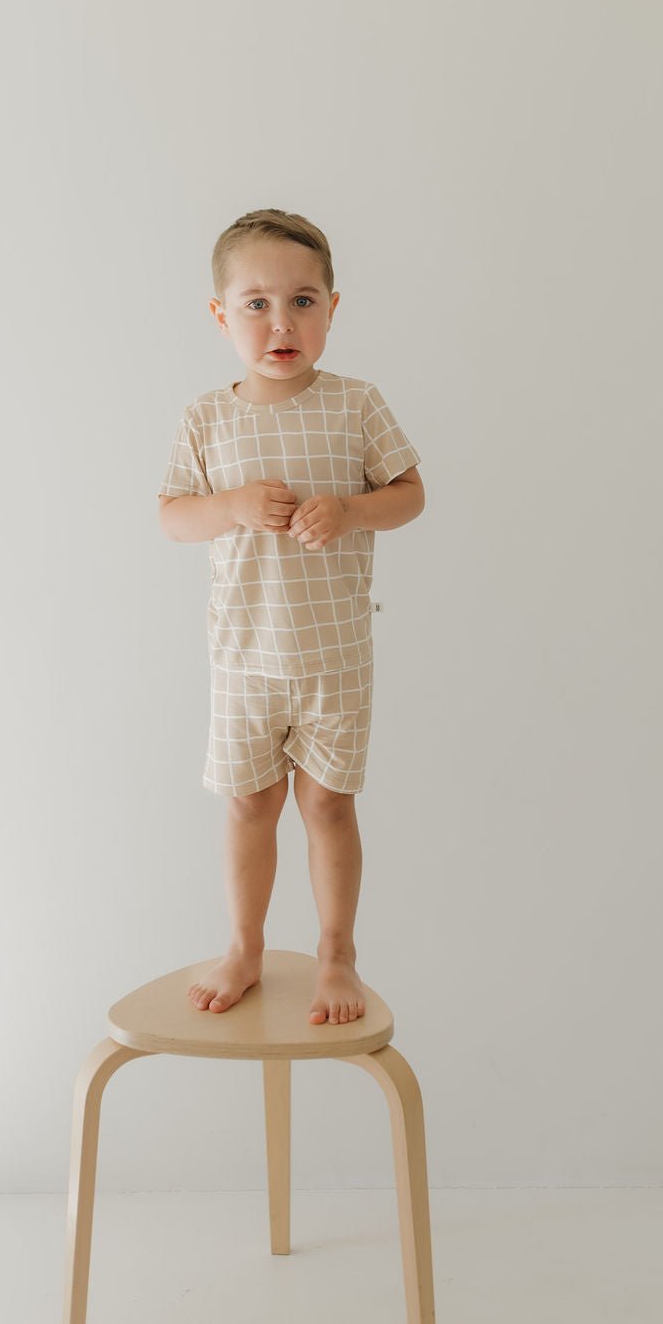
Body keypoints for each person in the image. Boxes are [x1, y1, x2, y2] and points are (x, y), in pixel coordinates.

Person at [157, 208, 424, 1025]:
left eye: (303, 302)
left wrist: (349, 510)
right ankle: (245, 946)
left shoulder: (355, 404)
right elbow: (173, 516)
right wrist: (232, 505)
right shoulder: (208, 418)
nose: (282, 323)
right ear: (221, 315)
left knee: (329, 806)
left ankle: (337, 952)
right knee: (248, 806)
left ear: (332, 309)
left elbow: (410, 494)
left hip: (334, 656)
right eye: (258, 304)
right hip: (244, 658)